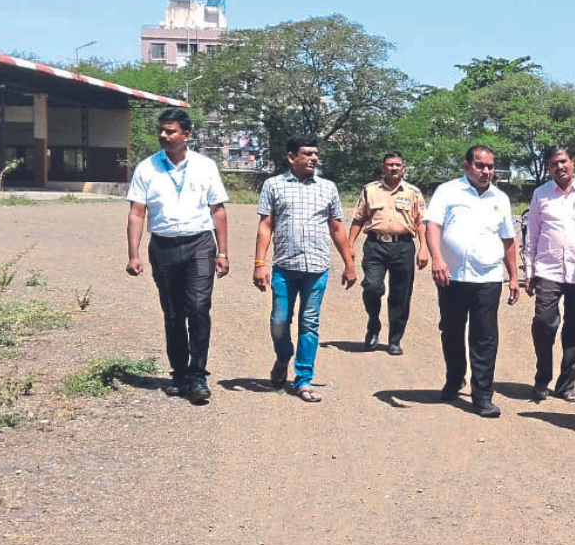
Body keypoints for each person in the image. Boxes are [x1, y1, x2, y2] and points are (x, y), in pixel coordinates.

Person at [125, 108, 229, 403]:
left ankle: (198, 375)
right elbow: (136, 213)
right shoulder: (146, 168)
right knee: (173, 313)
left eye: (170, 131)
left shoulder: (205, 166)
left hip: (199, 244)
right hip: (164, 246)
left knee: (198, 308)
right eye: (161, 130)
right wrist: (133, 254)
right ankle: (179, 374)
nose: (163, 136)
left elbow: (218, 211)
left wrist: (223, 252)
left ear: (186, 135)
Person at [253, 136, 357, 403]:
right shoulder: (273, 185)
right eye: (307, 153)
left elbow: (337, 228)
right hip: (285, 268)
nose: (313, 158)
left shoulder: (328, 188)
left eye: (315, 154)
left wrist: (349, 264)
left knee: (309, 323)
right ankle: (283, 357)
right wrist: (259, 263)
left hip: (317, 268)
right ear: (291, 157)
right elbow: (266, 225)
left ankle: (303, 379)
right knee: (279, 322)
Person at [424, 145, 520, 417]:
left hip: (488, 278)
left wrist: (513, 276)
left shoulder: (500, 198)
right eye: (480, 165)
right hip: (451, 277)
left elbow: (508, 240)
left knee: (485, 337)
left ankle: (482, 395)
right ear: (467, 166)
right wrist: (437, 258)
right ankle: (455, 379)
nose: (486, 171)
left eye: (490, 166)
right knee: (452, 331)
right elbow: (432, 225)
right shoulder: (448, 191)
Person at [524, 145, 575, 402]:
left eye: (564, 161)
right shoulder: (541, 194)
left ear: (573, 163)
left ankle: (566, 384)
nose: (560, 167)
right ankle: (542, 378)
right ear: (549, 168)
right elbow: (532, 233)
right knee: (544, 323)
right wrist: (529, 269)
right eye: (555, 163)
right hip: (548, 270)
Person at [347, 152, 430, 356]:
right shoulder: (371, 190)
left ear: (403, 168)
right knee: (372, 287)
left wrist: (424, 248)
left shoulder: (413, 192)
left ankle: (395, 339)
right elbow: (358, 219)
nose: (394, 168)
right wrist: (350, 245)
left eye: (398, 165)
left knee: (401, 295)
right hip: (375, 245)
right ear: (383, 167)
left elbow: (421, 223)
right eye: (390, 165)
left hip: (403, 247)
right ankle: (373, 324)